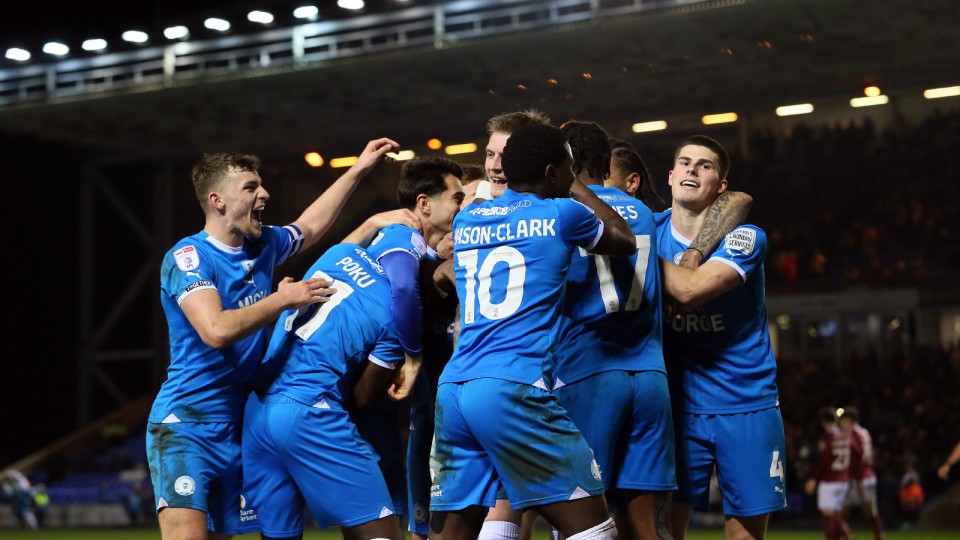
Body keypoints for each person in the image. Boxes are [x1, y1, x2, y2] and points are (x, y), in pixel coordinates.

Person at [148, 138, 411, 540]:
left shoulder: (262, 244)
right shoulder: (188, 258)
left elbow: (309, 226)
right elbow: (215, 330)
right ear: (217, 200)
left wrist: (363, 185)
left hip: (237, 424)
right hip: (186, 424)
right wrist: (280, 299)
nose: (264, 193)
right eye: (251, 188)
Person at [429, 123, 636, 540]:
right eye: (567, 168)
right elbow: (623, 239)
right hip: (515, 386)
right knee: (594, 531)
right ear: (552, 171)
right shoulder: (562, 213)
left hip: (454, 389)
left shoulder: (469, 218)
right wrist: (575, 186)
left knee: (454, 533)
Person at [656, 134, 785, 540]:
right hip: (677, 409)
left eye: (705, 165)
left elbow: (690, 290)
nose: (693, 168)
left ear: (720, 186)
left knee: (745, 537)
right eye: (685, 162)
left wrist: (635, 251)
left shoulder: (746, 238)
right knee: (662, 532)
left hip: (746, 403)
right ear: (672, 175)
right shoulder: (649, 230)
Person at [554, 120, 675, 540]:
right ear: (607, 164)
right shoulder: (640, 211)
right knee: (651, 526)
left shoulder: (564, 213)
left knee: (578, 520)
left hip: (587, 372)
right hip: (650, 375)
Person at [241, 242, 410, 540]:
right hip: (308, 410)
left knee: (279, 535)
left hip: (257, 409)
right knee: (383, 533)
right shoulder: (396, 312)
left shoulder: (339, 253)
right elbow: (361, 398)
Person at [352, 156, 465, 527]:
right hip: (365, 372)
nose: (461, 207)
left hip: (388, 379)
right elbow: (401, 286)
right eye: (457, 198)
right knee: (374, 497)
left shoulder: (427, 249)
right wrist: (413, 358)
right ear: (424, 203)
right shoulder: (403, 236)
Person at [408, 165, 484, 540]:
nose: (464, 208)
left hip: (474, 384)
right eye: (460, 198)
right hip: (431, 390)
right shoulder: (408, 250)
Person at [804, 407, 853, 540]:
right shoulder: (845, 436)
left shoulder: (827, 438)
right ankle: (847, 535)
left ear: (823, 422)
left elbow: (824, 460)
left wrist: (813, 478)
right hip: (844, 480)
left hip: (830, 480)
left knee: (827, 515)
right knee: (836, 514)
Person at [840, 407, 885, 540]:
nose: (842, 424)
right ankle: (879, 537)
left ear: (850, 421)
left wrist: (858, 479)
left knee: (840, 513)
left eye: (844, 421)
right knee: (870, 514)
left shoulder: (853, 435)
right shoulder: (864, 432)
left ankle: (847, 536)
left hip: (858, 478)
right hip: (867, 476)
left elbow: (858, 457)